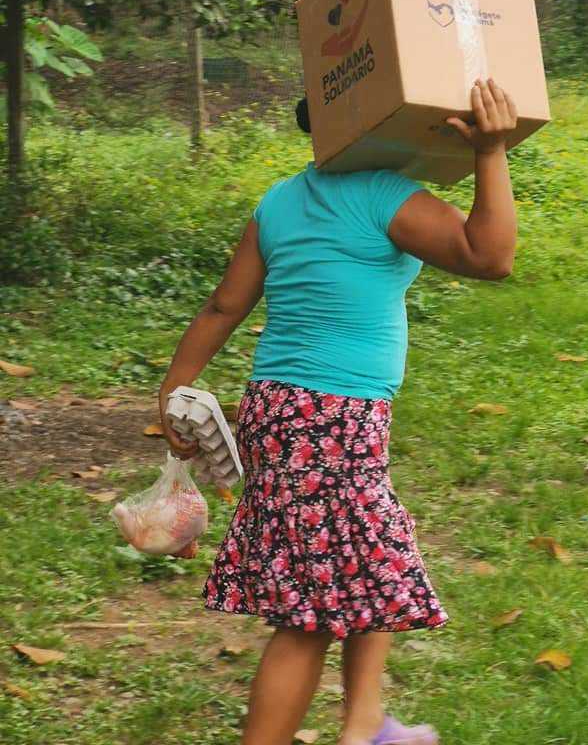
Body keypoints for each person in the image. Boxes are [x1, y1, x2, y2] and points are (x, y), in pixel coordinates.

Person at [159, 76, 518, 745]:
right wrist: (491, 151)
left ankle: (367, 724)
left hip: (276, 411)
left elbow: (224, 305)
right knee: (307, 617)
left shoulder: (279, 202)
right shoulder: (383, 194)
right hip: (333, 421)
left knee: (369, 554)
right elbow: (489, 256)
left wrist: (175, 384)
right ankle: (353, 729)